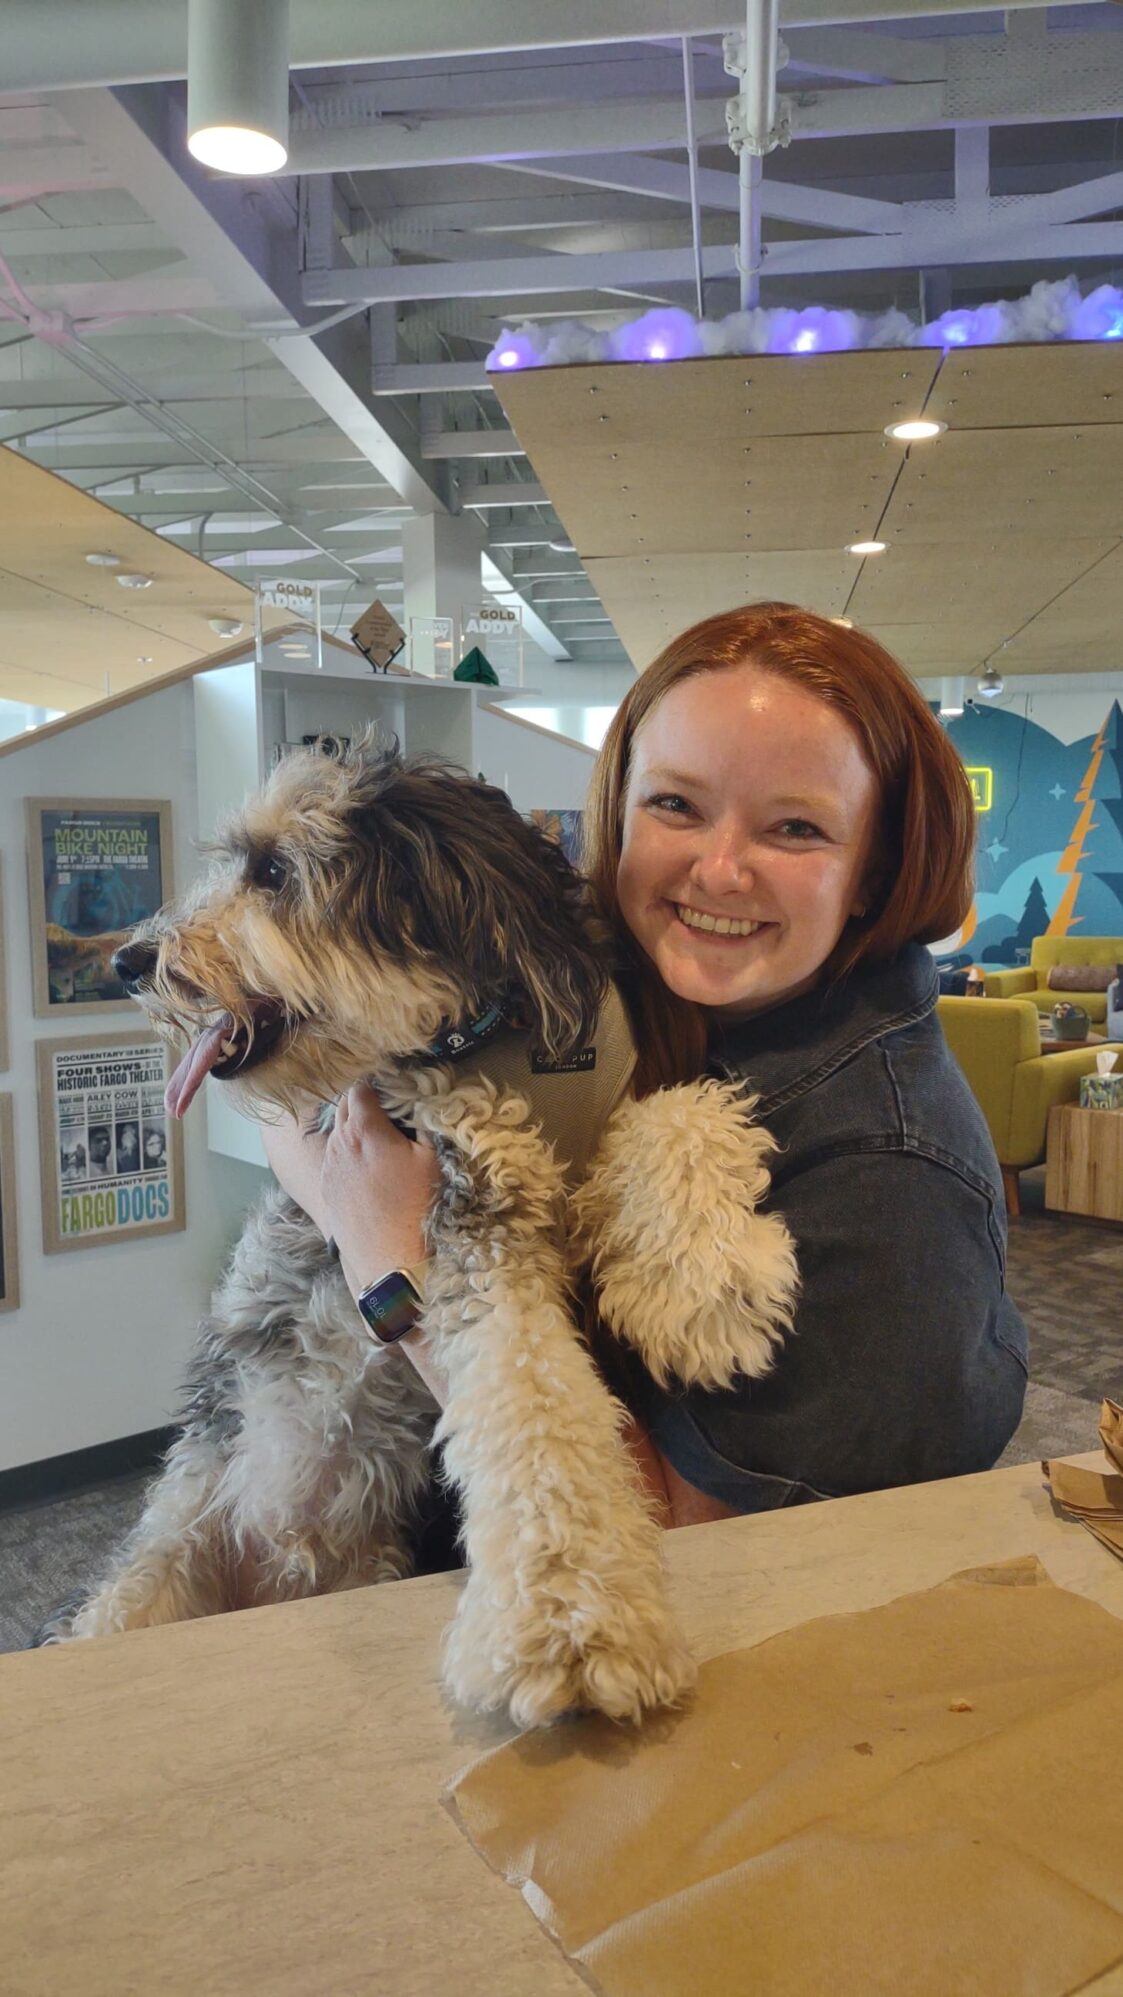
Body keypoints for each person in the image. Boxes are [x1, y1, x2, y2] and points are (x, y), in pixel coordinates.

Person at [263, 602, 1028, 1542]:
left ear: (870, 870)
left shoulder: (890, 1180)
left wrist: (397, 1269)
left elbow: (692, 1540)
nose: (718, 869)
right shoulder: (612, 995)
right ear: (618, 807)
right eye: (676, 804)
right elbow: (307, 1095)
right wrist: (326, 1162)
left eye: (792, 828)